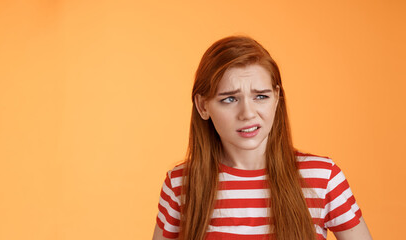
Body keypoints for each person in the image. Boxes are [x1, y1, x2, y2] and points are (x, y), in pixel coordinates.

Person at [152, 36, 372, 240]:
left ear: (276, 98)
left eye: (260, 96)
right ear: (202, 106)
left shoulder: (324, 177)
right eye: (229, 99)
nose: (247, 113)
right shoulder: (181, 184)